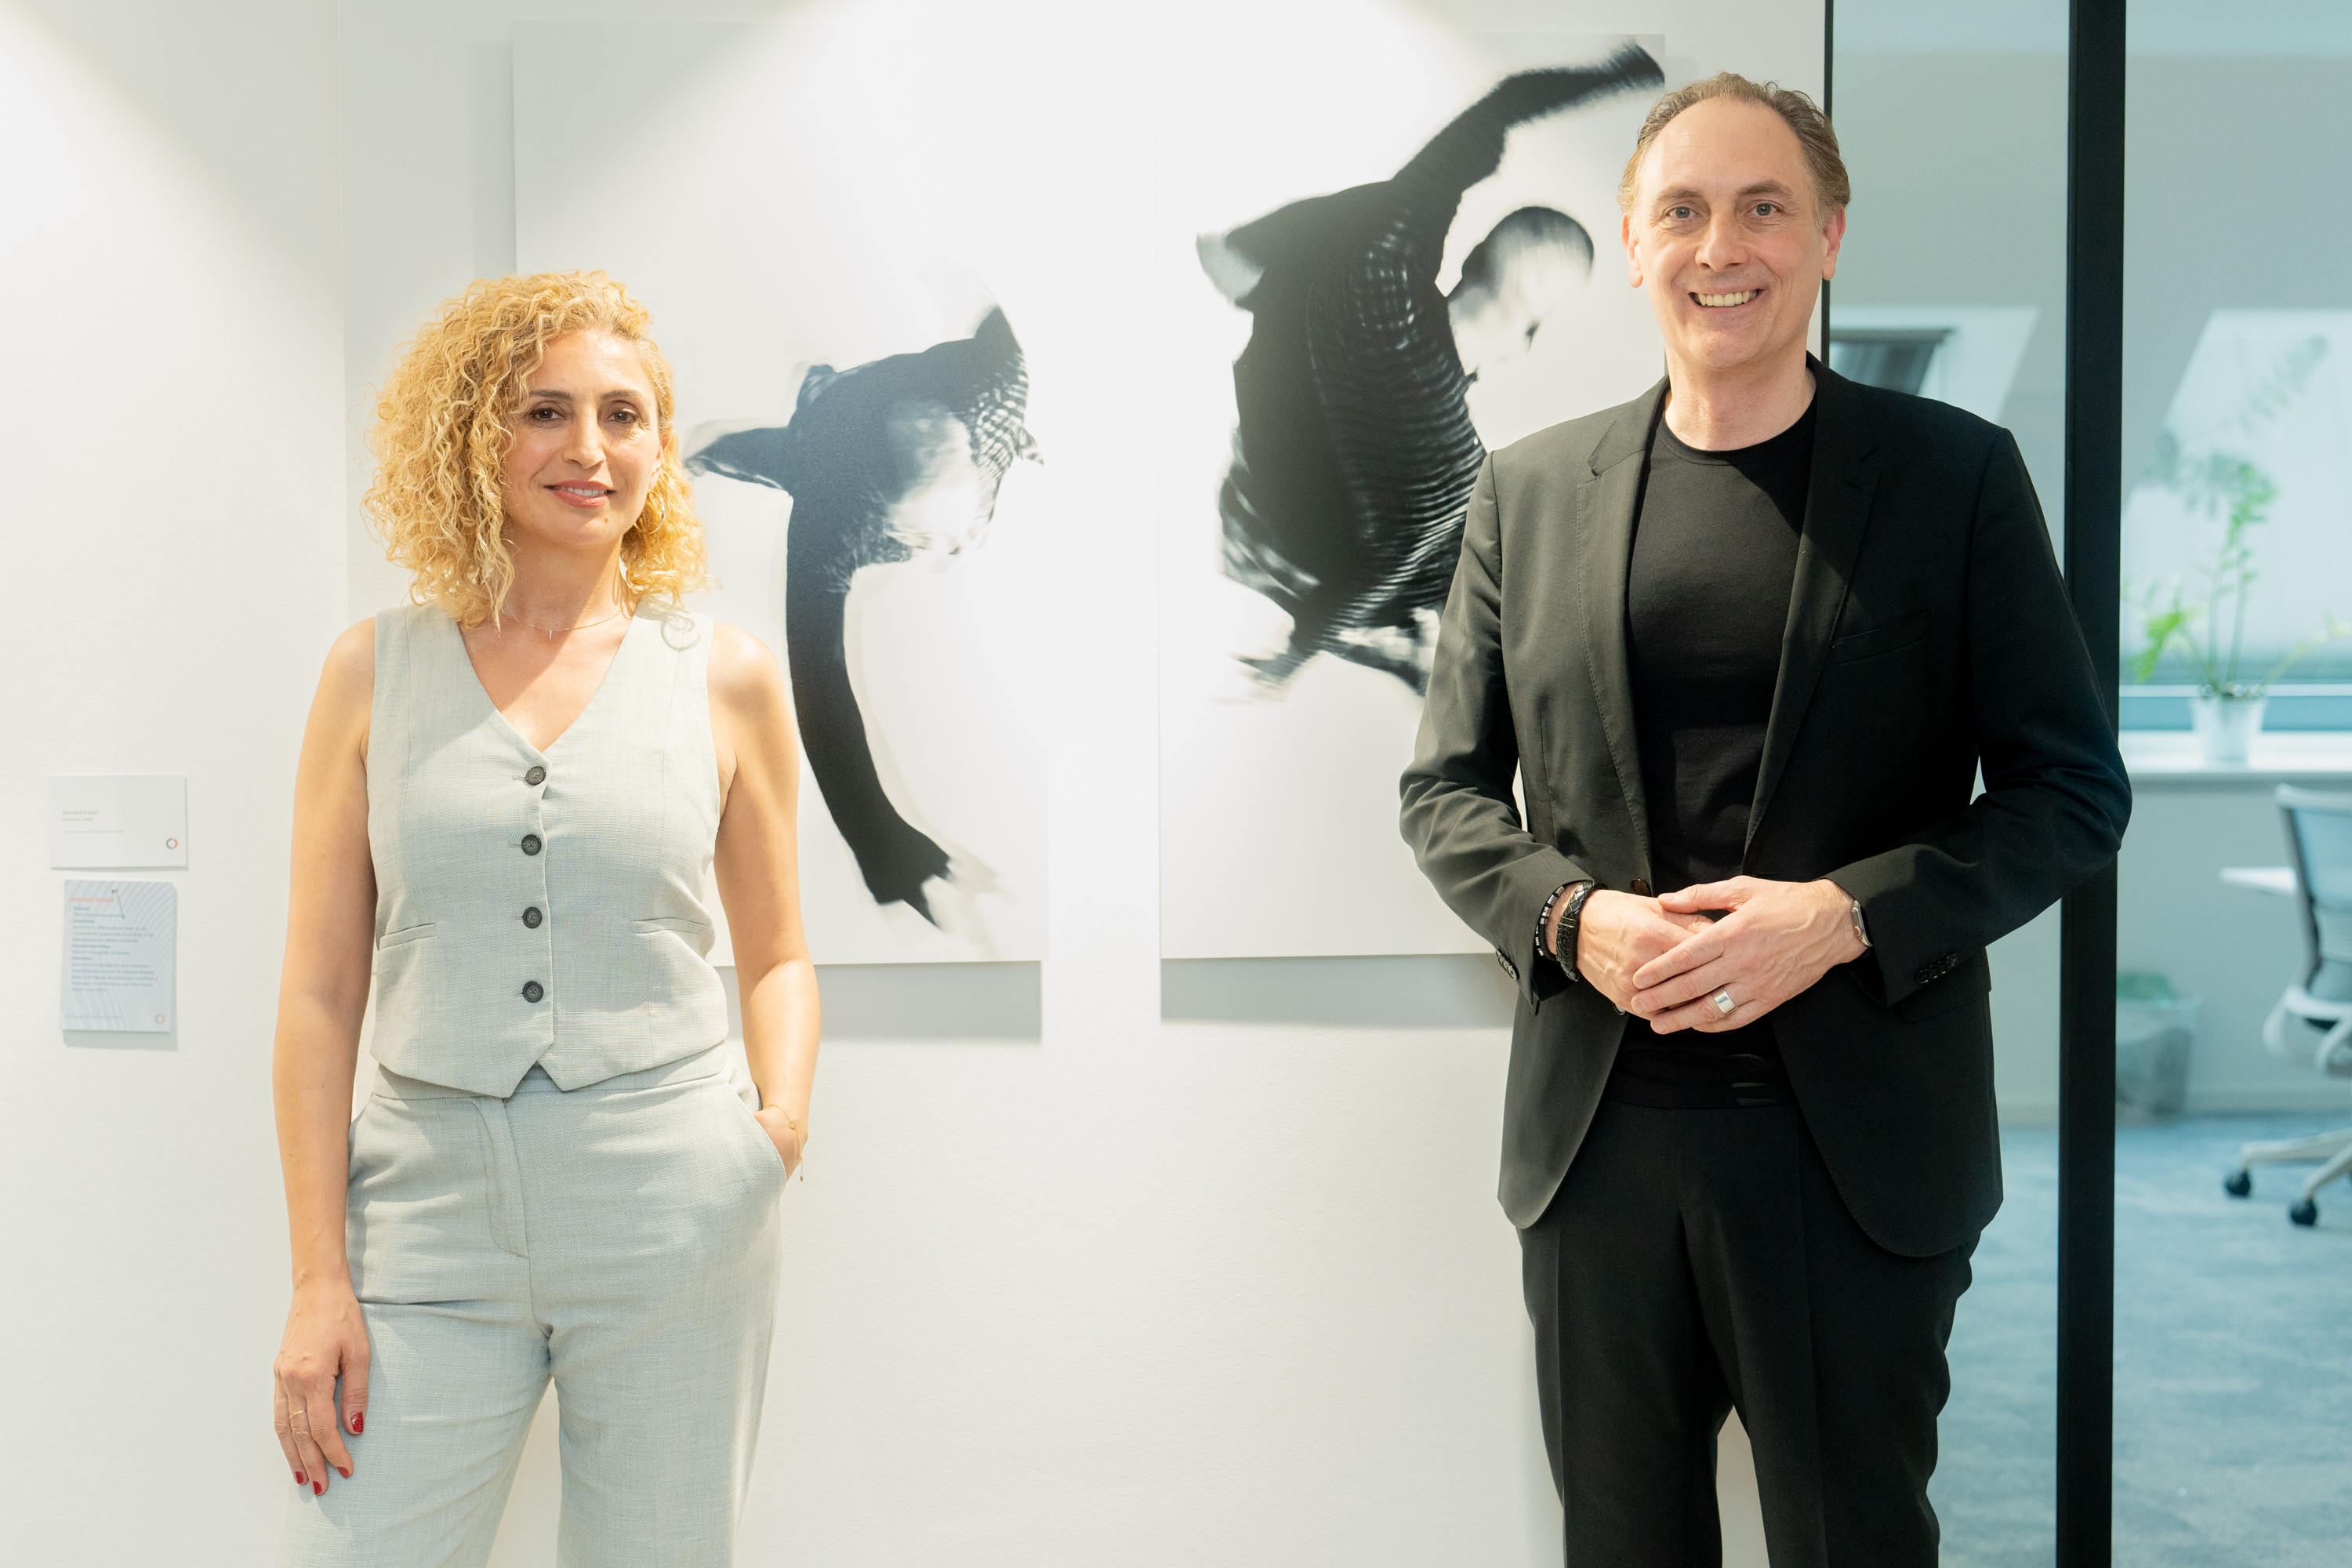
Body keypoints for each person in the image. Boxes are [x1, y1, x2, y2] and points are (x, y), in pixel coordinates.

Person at [1399, 74, 2129, 1564]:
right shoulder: (1526, 493)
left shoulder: (1953, 480)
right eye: (1682, 210)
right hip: (1598, 1155)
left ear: (1830, 236)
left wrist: (1847, 915)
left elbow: (2071, 795)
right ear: (1632, 243)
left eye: (1763, 207)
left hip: (1855, 1153)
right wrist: (1572, 920)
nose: (1720, 245)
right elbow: (1445, 793)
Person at [267, 271, 819, 1566]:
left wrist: (775, 1135)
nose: (590, 448)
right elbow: (320, 993)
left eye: (624, 415)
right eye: (545, 411)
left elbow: (780, 954)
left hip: (674, 1203)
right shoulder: (370, 670)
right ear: (473, 435)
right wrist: (317, 1277)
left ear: (660, 449)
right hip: (424, 1208)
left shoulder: (726, 677)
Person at [1200, 45, 1664, 691]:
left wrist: (1619, 72)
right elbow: (1376, 577)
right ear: (1530, 334)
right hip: (1292, 553)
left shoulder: (1385, 250)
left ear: (1471, 257)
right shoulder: (1452, 465)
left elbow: (1503, 105)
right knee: (1490, 543)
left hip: (1261, 480)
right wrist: (1293, 657)